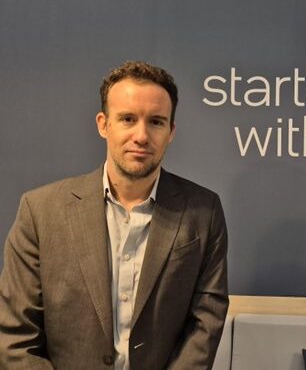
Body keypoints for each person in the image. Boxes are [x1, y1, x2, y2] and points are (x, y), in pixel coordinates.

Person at [0, 61, 229, 369]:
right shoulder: (40, 211)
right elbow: (15, 338)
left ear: (171, 132)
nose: (142, 135)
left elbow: (205, 322)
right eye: (127, 119)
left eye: (156, 122)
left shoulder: (204, 211)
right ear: (103, 124)